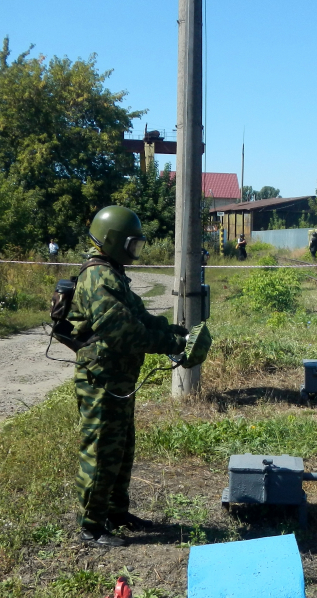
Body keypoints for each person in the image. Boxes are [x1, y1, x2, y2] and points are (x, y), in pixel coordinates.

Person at [67, 206, 190, 547]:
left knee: (121, 449)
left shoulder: (113, 273)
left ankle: (116, 512)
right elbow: (122, 330)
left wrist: (172, 332)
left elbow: (139, 316)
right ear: (113, 241)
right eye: (132, 244)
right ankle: (91, 526)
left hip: (117, 380)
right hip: (101, 380)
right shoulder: (97, 278)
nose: (136, 251)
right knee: (101, 450)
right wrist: (166, 342)